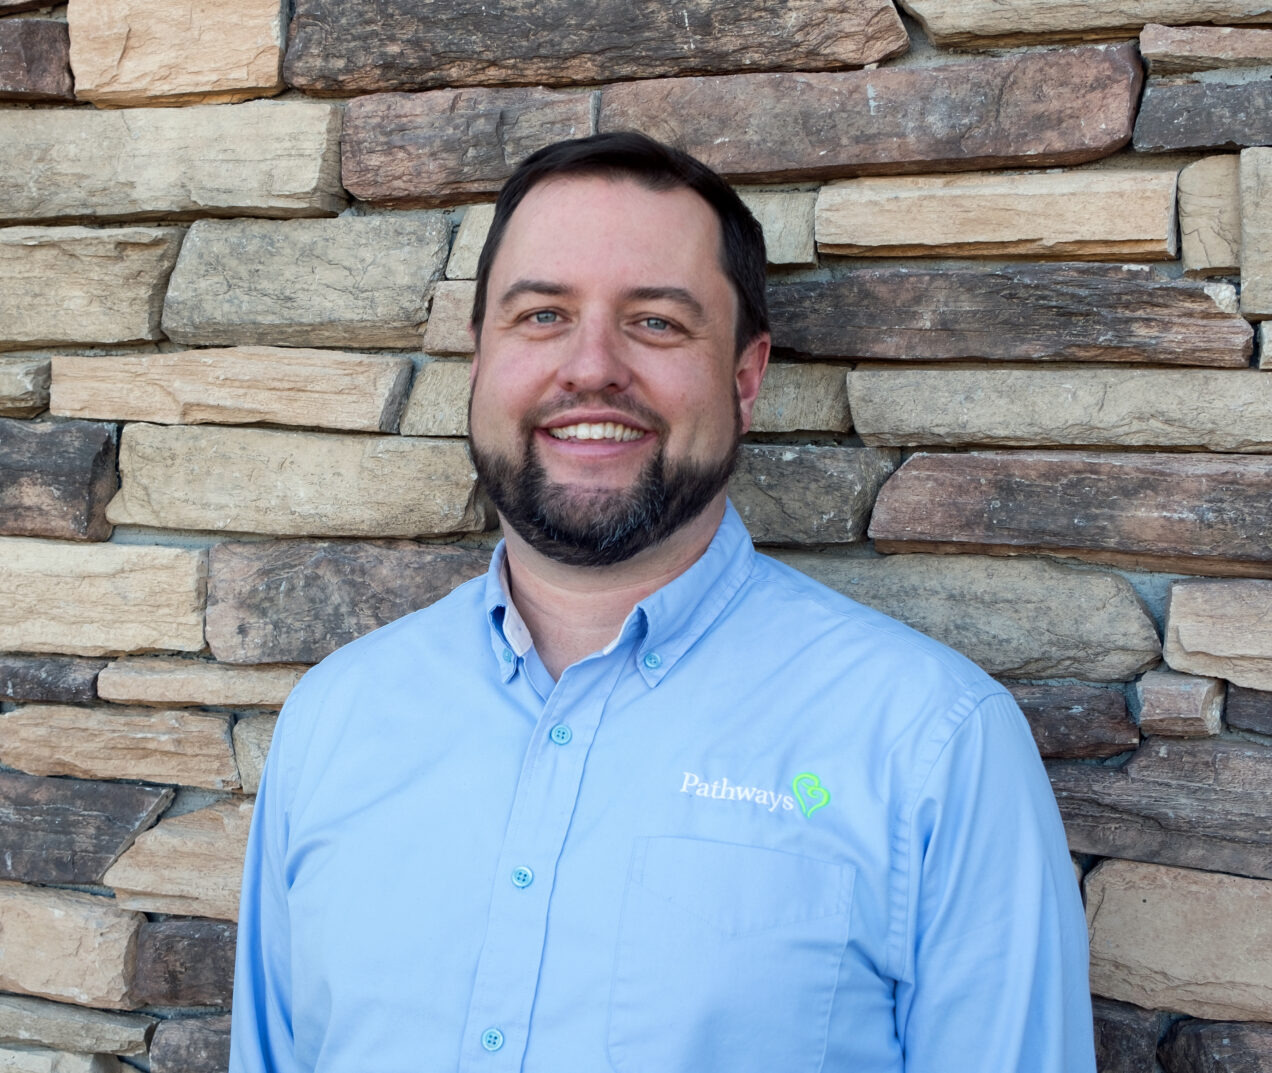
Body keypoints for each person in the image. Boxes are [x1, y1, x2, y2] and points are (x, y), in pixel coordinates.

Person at [230, 131, 1095, 1073]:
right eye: (542, 314)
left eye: (656, 322)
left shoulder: (932, 743)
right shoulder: (333, 719)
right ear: (479, 355)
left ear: (746, 376)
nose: (592, 366)